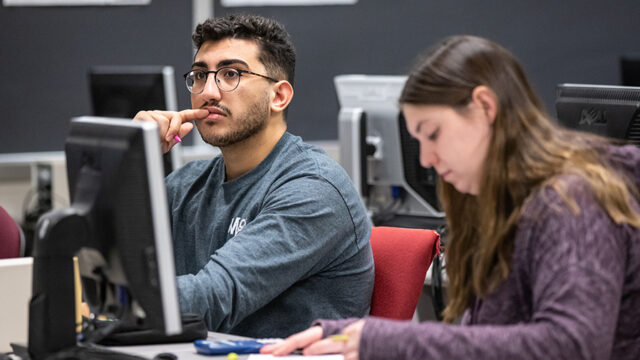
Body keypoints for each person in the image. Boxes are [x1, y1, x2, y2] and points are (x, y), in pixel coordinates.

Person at [261, 35, 640, 359]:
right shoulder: (497, 202)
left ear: (485, 108)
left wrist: (387, 341)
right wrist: (346, 334)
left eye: (432, 133)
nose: (426, 158)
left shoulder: (572, 200)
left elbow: (572, 346)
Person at [133, 14, 374, 338]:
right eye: (200, 75)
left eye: (230, 74)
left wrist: (116, 301)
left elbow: (212, 298)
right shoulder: (186, 184)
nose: (208, 92)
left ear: (279, 96)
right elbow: (103, 254)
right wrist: (131, 161)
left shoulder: (314, 189)